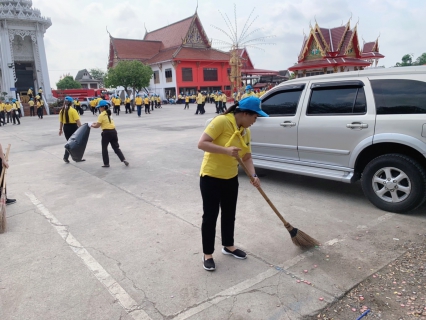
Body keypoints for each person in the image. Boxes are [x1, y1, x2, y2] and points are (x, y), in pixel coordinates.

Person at [197, 96, 268, 271]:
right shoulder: (221, 121)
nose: (254, 121)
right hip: (211, 177)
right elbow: (202, 144)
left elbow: (247, 157)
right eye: (254, 117)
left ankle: (228, 245)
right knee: (210, 216)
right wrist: (226, 150)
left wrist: (254, 175)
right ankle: (208, 254)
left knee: (229, 214)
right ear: (244, 114)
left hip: (230, 178)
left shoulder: (245, 131)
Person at [90, 100, 129, 168]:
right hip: (113, 132)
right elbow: (103, 122)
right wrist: (94, 123)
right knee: (116, 148)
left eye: (100, 107)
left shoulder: (101, 115)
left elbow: (97, 125)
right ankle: (123, 159)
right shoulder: (109, 114)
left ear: (103, 107)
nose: (99, 108)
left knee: (104, 148)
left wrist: (91, 125)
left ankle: (106, 163)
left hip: (106, 133)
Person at [59, 96, 83, 163]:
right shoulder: (73, 110)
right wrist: (81, 128)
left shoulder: (62, 111)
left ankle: (66, 157)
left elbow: (61, 121)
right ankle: (77, 158)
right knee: (76, 143)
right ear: (71, 103)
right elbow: (77, 120)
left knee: (69, 143)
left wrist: (60, 129)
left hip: (66, 128)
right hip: (73, 127)